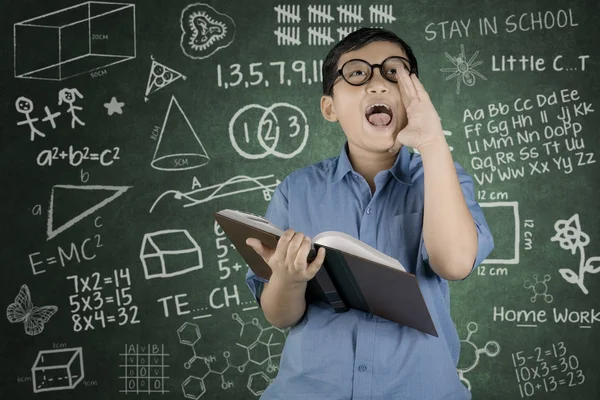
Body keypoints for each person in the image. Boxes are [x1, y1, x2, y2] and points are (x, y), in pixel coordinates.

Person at [244, 27, 494, 400]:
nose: (378, 85)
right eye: (357, 74)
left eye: (394, 73)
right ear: (330, 107)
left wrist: (432, 141)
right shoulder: (297, 189)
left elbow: (455, 264)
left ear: (415, 99)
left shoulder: (443, 178)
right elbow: (280, 316)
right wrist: (290, 279)